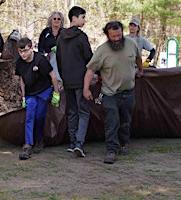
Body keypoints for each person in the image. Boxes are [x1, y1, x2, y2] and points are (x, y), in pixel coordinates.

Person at [83, 21, 143, 164]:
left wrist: (140, 70)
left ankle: (124, 143)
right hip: (110, 94)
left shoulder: (131, 44)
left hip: (129, 92)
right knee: (112, 122)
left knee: (126, 121)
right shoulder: (102, 50)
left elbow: (137, 57)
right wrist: (86, 88)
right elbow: (90, 70)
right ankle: (111, 149)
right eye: (113, 36)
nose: (117, 38)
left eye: (119, 35)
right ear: (107, 36)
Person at [56, 6, 93, 157]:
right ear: (74, 18)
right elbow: (90, 58)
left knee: (71, 111)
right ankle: (79, 143)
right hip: (81, 81)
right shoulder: (81, 37)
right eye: (82, 17)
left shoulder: (60, 37)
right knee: (83, 111)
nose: (84, 20)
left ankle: (72, 142)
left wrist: (63, 76)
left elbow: (58, 60)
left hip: (67, 80)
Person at [15, 37, 60, 160]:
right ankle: (28, 144)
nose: (23, 54)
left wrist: (56, 93)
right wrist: (23, 96)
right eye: (20, 51)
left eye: (25, 50)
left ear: (31, 48)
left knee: (39, 116)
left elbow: (53, 76)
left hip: (43, 91)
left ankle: (40, 139)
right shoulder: (19, 63)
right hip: (30, 93)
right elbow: (22, 80)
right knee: (29, 117)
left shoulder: (40, 59)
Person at [38, 11, 64, 82]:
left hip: (62, 57)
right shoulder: (45, 32)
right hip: (47, 57)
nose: (56, 20)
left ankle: (58, 80)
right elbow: (40, 47)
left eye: (59, 19)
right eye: (54, 18)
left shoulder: (64, 32)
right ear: (51, 20)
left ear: (61, 20)